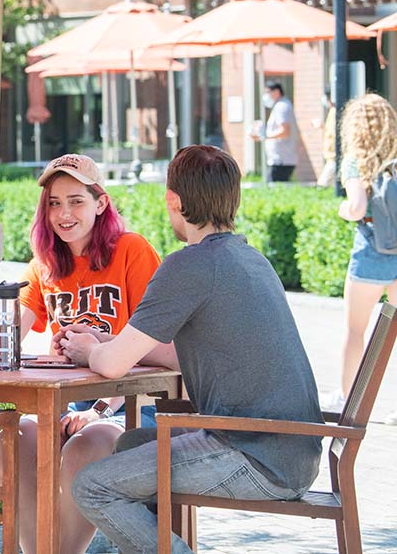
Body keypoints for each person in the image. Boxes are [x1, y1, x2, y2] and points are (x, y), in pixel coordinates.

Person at [63, 145, 323, 554]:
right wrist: (108, 345)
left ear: (173, 200)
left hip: (254, 456)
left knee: (93, 487)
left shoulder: (188, 265)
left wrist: (88, 351)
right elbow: (181, 354)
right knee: (131, 445)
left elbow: (112, 367)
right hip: (294, 449)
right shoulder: (251, 258)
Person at [1, 153, 172, 554]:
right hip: (65, 401)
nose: (63, 213)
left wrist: (98, 406)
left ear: (100, 203)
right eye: (54, 203)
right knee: (16, 436)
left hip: (133, 401)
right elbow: (10, 336)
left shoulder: (132, 251)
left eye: (76, 200)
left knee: (85, 444)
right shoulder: (43, 265)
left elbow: (156, 346)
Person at [326, 94, 397, 421]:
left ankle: (345, 400)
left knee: (356, 330)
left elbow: (355, 206)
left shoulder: (356, 160)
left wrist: (344, 211)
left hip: (370, 254)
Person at [251, 82, 298, 183]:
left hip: (282, 160)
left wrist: (264, 136)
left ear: (276, 92)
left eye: (267, 92)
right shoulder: (280, 106)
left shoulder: (282, 107)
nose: (265, 96)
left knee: (273, 186)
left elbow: (284, 131)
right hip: (280, 159)